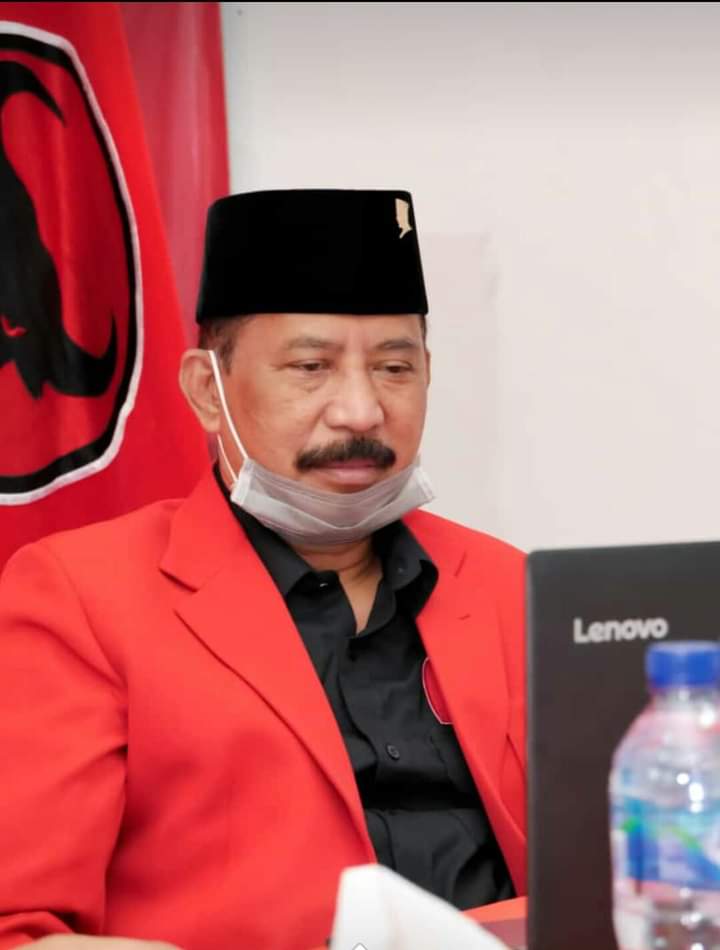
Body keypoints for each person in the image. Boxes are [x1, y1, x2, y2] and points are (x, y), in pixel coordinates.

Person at [0, 190, 526, 950]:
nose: (361, 411)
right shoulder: (80, 598)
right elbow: (19, 930)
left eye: (394, 368)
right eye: (311, 367)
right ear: (207, 391)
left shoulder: (509, 585)